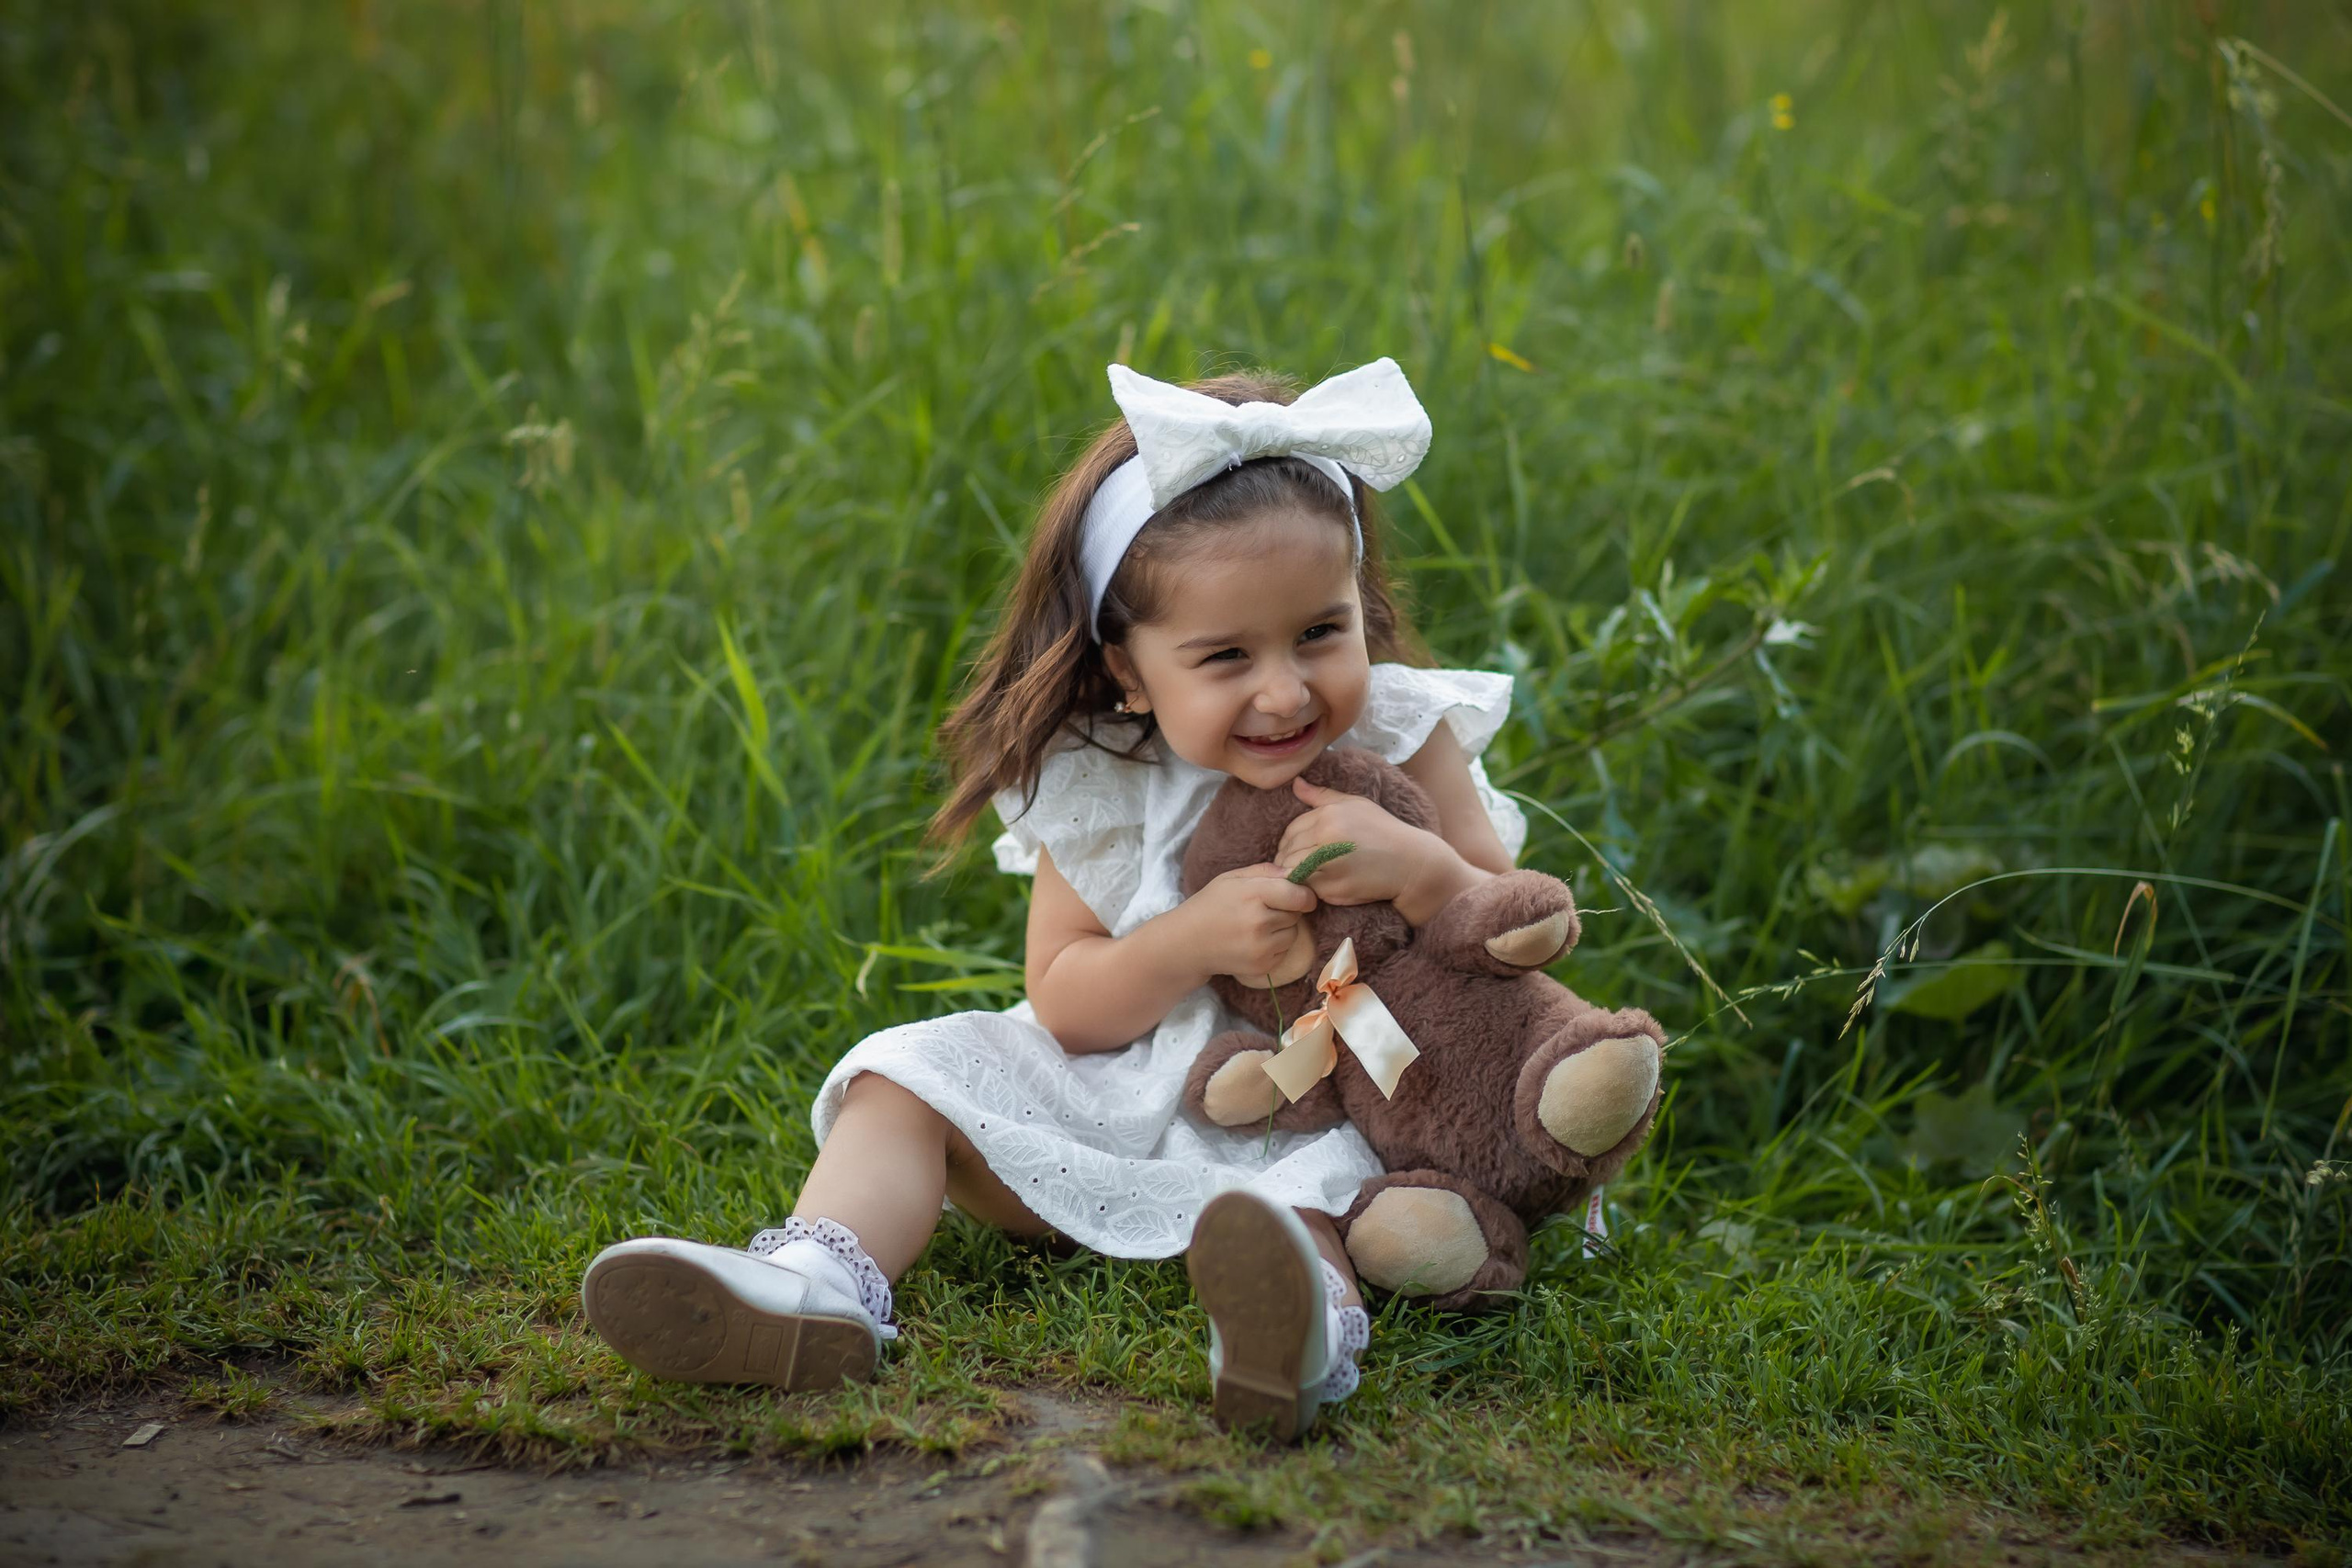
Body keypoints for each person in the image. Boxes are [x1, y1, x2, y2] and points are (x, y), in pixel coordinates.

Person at [582, 358, 1638, 1439]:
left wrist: (1423, 870)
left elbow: (1514, 927)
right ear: (1129, 672)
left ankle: (1294, 1336)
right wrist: (1188, 939)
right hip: (1125, 1096)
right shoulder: (1103, 775)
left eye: (1320, 633)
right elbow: (1069, 1000)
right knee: (904, 1077)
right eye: (1224, 655)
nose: (1284, 689)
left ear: (1360, 608)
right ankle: (817, 1281)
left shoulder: (1404, 737)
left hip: (1318, 1105)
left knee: (1294, 1201)